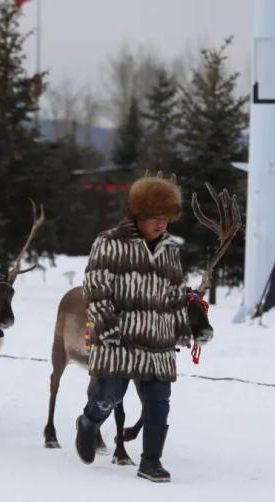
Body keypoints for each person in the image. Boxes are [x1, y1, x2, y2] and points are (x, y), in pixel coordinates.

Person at [75, 173, 208, 483]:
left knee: (159, 402)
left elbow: (175, 293)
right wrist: (108, 328)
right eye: (154, 216)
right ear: (138, 213)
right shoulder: (109, 243)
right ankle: (88, 422)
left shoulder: (170, 249)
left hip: (158, 341)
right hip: (119, 338)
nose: (161, 224)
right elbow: (96, 289)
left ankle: (151, 462)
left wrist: (183, 330)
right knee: (110, 394)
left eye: (166, 217)